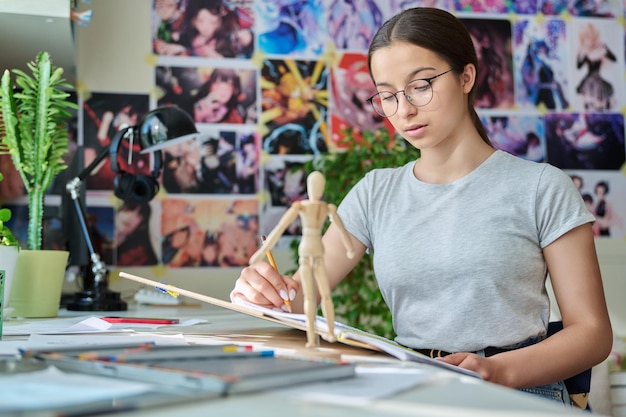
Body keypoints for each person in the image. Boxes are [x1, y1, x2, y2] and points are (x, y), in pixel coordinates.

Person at [231, 7, 612, 407]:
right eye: (388, 95)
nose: (404, 110)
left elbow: (591, 333)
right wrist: (264, 293)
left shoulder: (540, 186)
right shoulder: (375, 191)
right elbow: (301, 299)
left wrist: (498, 372)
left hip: (519, 391)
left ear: (466, 76)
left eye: (421, 85)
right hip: (413, 388)